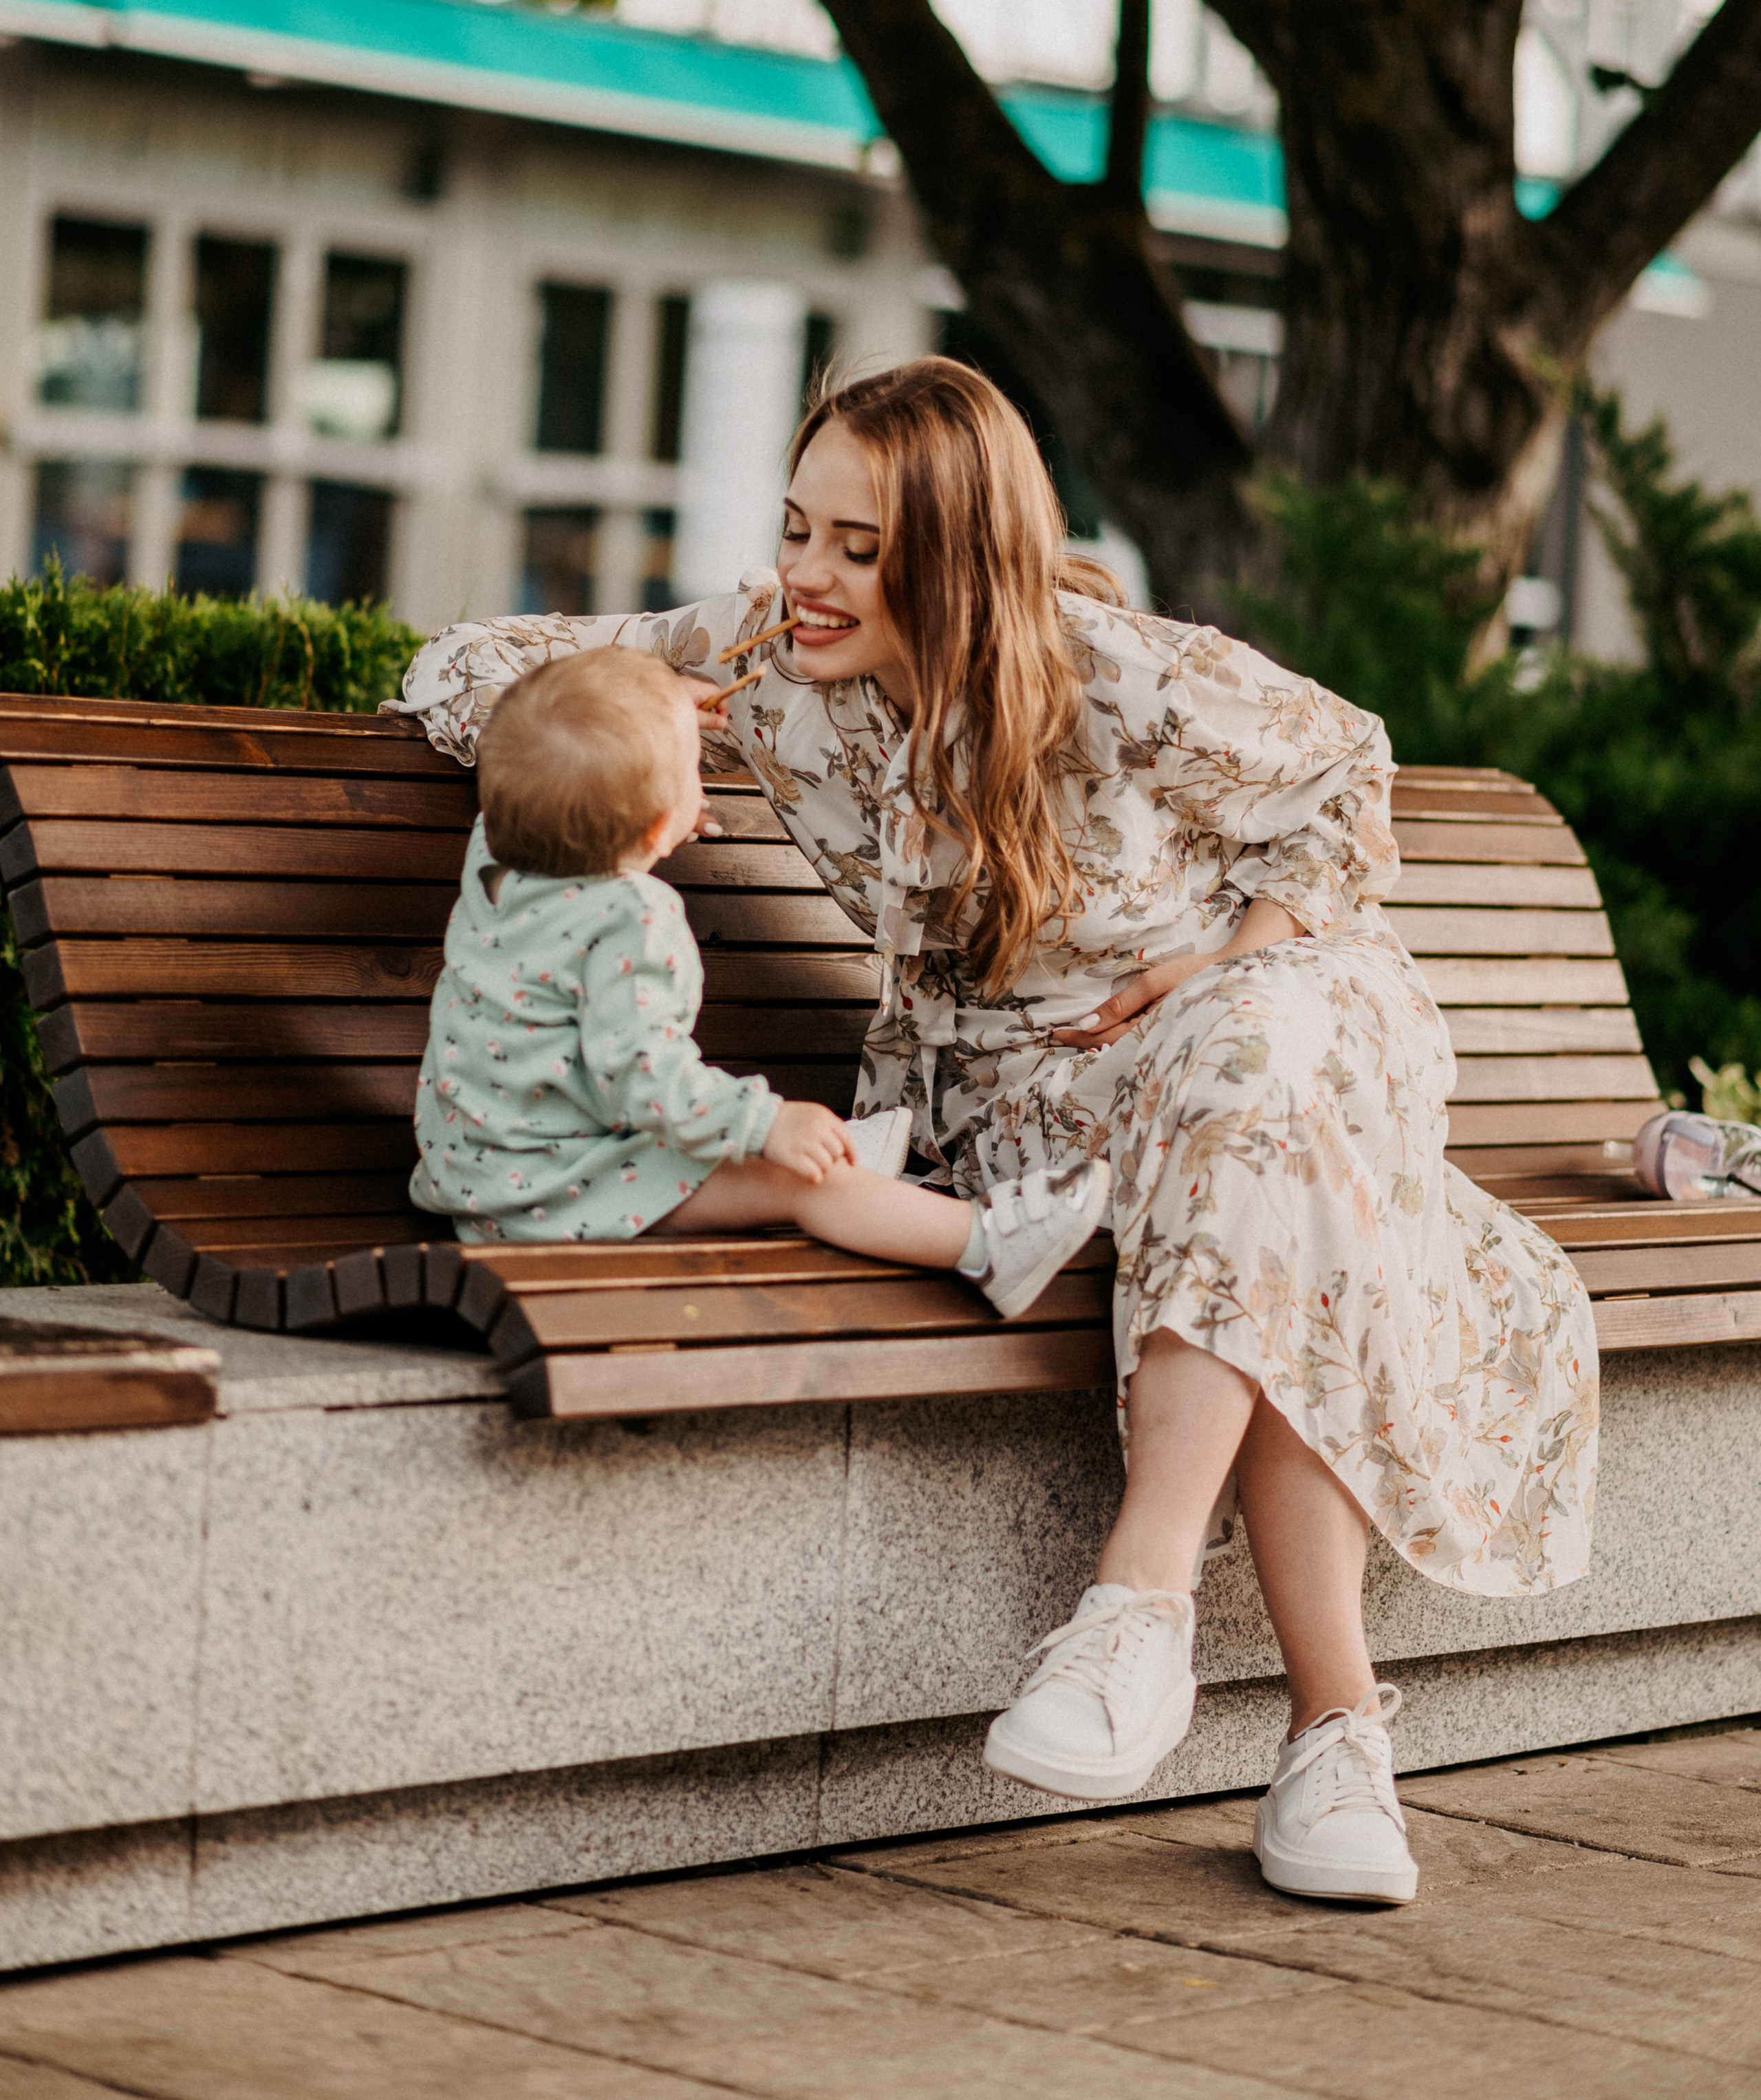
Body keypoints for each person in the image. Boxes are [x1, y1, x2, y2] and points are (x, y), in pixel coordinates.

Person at [399, 356, 1598, 1909]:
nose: (805, 576)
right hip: (1054, 1113)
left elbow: (1343, 775)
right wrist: (641, 703)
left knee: (1255, 1082)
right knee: (1278, 1209)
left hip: (1272, 1023)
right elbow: (462, 668)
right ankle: (1336, 1733)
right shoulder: (770, 653)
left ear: (958, 556)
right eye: (796, 528)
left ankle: (1138, 1604)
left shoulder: (1113, 674)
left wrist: (1217, 958)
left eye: (858, 545)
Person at [409, 641, 1110, 1311]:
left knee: (795, 1158)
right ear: (661, 829)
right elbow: (644, 1079)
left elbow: (551, 758)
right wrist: (766, 1123)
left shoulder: (495, 862)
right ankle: (985, 1245)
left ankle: (848, 1151)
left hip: (485, 1180)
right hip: (560, 1202)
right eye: (690, 772)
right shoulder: (630, 920)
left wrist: (660, 718)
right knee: (804, 1183)